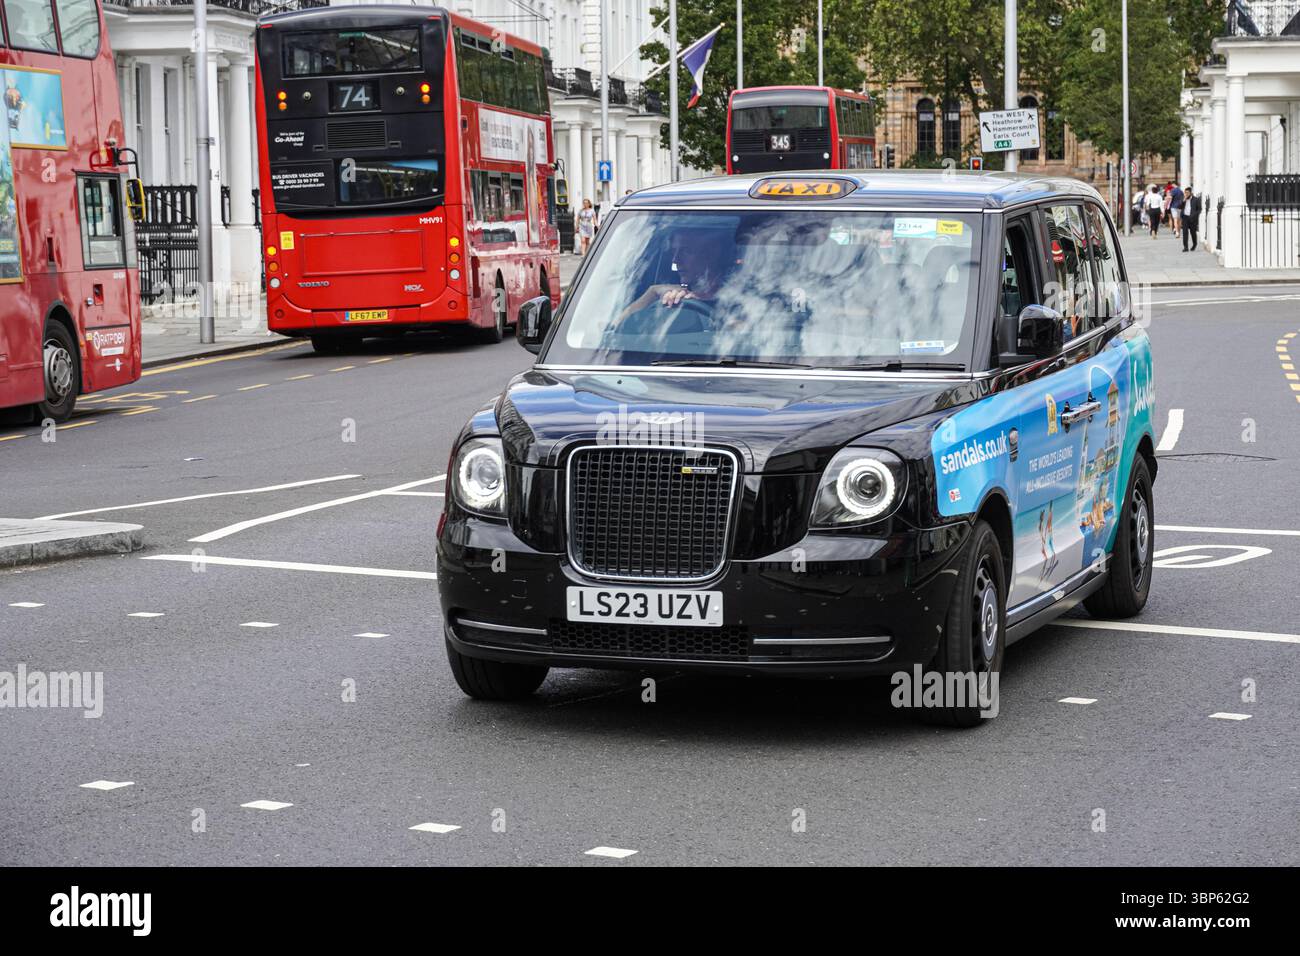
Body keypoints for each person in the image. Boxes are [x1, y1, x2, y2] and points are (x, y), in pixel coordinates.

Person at [1182, 185, 1201, 252]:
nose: (1186, 194)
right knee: (1185, 232)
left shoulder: (1196, 199)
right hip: (1185, 218)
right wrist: (1183, 201)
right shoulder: (1183, 199)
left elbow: (1199, 209)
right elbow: (1179, 206)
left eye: (1187, 192)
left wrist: (1194, 215)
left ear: (1190, 193)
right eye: (1185, 192)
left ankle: (1194, 244)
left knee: (1193, 232)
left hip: (1192, 218)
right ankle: (1185, 247)